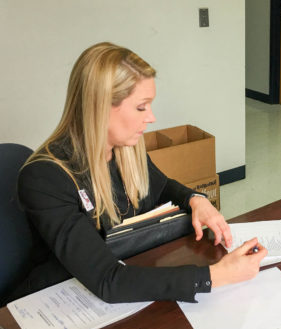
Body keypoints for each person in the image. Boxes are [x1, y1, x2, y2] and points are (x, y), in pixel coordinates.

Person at [10, 42, 267, 304]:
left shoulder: (125, 149)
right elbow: (108, 281)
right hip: (62, 297)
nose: (152, 117)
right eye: (142, 107)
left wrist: (196, 199)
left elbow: (162, 187)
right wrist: (215, 276)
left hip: (126, 273)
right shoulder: (45, 177)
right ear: (100, 107)